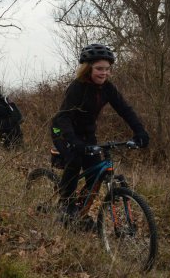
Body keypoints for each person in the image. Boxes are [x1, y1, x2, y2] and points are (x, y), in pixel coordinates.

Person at [51, 43, 149, 220]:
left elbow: (125, 109)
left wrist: (140, 132)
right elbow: (63, 118)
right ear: (88, 68)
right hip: (63, 130)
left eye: (107, 69)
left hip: (87, 134)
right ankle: (65, 205)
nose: (104, 73)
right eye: (99, 69)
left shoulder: (107, 88)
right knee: (74, 160)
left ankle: (80, 213)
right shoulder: (77, 87)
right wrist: (74, 142)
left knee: (95, 174)